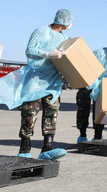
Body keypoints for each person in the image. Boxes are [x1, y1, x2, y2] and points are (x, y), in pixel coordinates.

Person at [0, 9, 73, 160]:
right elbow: (30, 50)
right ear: (63, 20)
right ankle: (24, 149)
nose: (71, 24)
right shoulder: (42, 31)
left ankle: (47, 148)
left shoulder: (64, 37)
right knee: (29, 115)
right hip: (35, 81)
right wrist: (48, 54)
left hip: (53, 82)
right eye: (70, 20)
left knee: (51, 114)